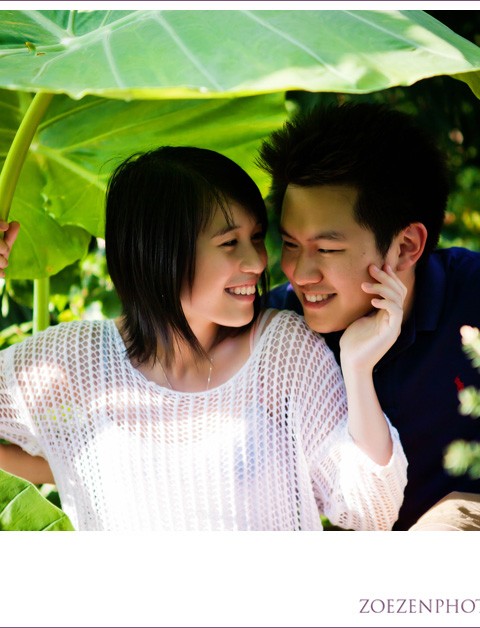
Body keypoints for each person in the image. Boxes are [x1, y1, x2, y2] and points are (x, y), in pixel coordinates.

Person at [0, 146, 407, 531]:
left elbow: (371, 511)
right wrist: (68, 462)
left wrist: (357, 367)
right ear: (158, 251)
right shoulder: (78, 358)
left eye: (256, 238)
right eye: (230, 243)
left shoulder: (282, 351)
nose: (256, 262)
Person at [257, 101, 480, 531]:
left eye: (327, 249)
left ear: (406, 247)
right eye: (290, 244)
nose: (299, 273)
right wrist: (356, 366)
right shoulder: (273, 331)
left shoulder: (472, 298)